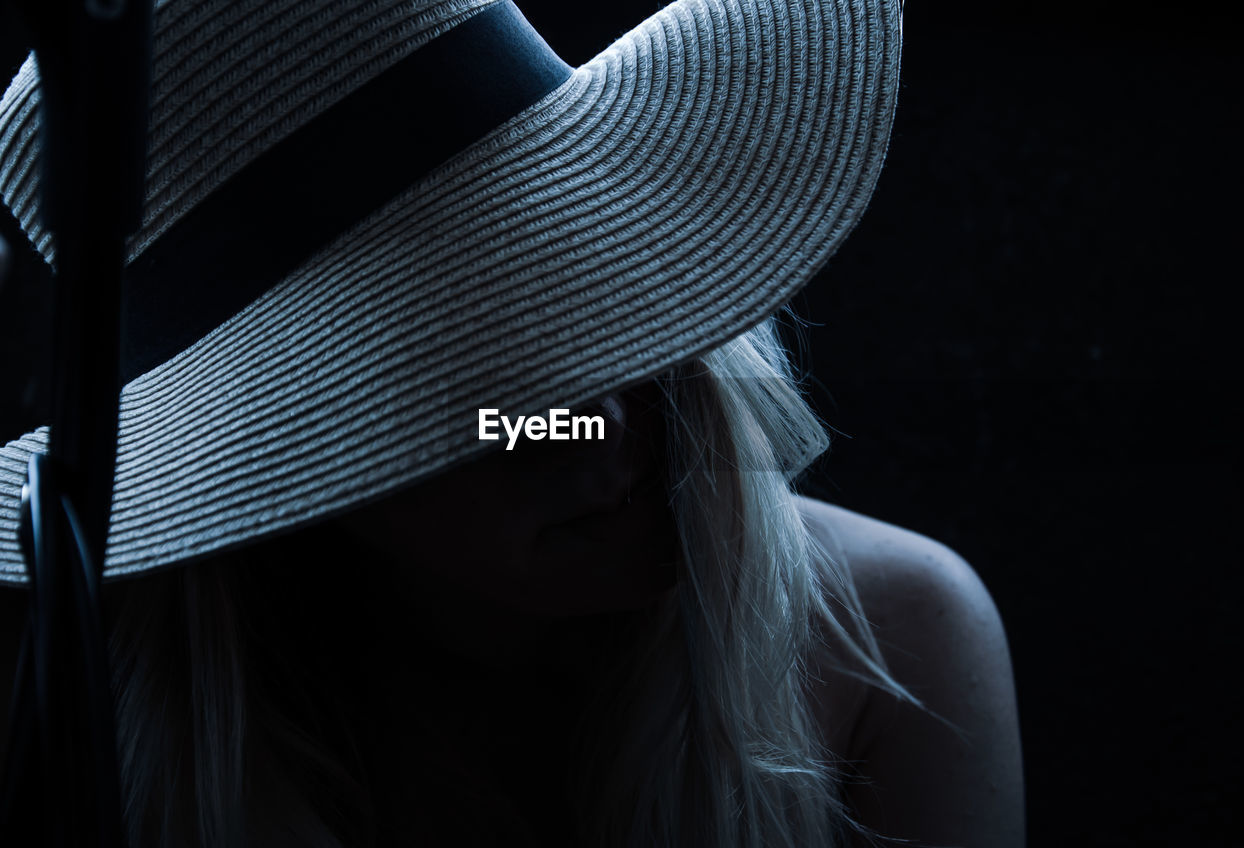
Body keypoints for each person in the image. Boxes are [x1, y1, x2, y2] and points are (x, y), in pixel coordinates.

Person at [0, 0, 1023, 845]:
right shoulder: (103, 728)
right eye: (472, 376)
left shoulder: (886, 641)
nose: (603, 427)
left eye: (595, 297)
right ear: (273, 459)